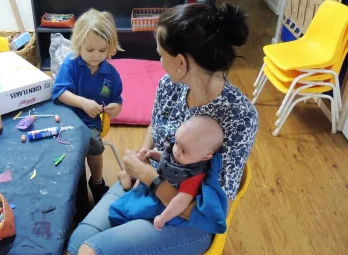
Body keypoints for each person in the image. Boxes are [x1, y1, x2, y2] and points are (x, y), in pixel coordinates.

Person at [66, 3, 259, 255]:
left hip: (188, 219)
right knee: (77, 241)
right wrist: (139, 158)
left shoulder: (239, 116)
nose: (158, 61)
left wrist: (148, 177)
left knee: (91, 251)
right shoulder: (170, 83)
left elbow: (208, 214)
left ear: (180, 62)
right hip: (148, 186)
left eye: (160, 54)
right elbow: (156, 124)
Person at [52, 9, 123, 204]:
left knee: (93, 144)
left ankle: (97, 182)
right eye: (90, 50)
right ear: (78, 45)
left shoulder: (111, 74)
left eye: (102, 51)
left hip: (90, 122)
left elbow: (116, 99)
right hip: (66, 117)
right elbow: (59, 92)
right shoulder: (71, 64)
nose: (96, 56)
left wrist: (116, 107)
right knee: (68, 150)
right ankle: (74, 185)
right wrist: (82, 102)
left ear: (111, 48)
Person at [112, 116, 225, 231]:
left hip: (167, 207)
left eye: (184, 151)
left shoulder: (193, 176)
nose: (176, 151)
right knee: (122, 207)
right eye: (176, 143)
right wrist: (151, 153)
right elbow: (166, 159)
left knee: (127, 212)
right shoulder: (182, 154)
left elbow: (181, 201)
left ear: (205, 157)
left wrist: (163, 218)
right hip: (154, 190)